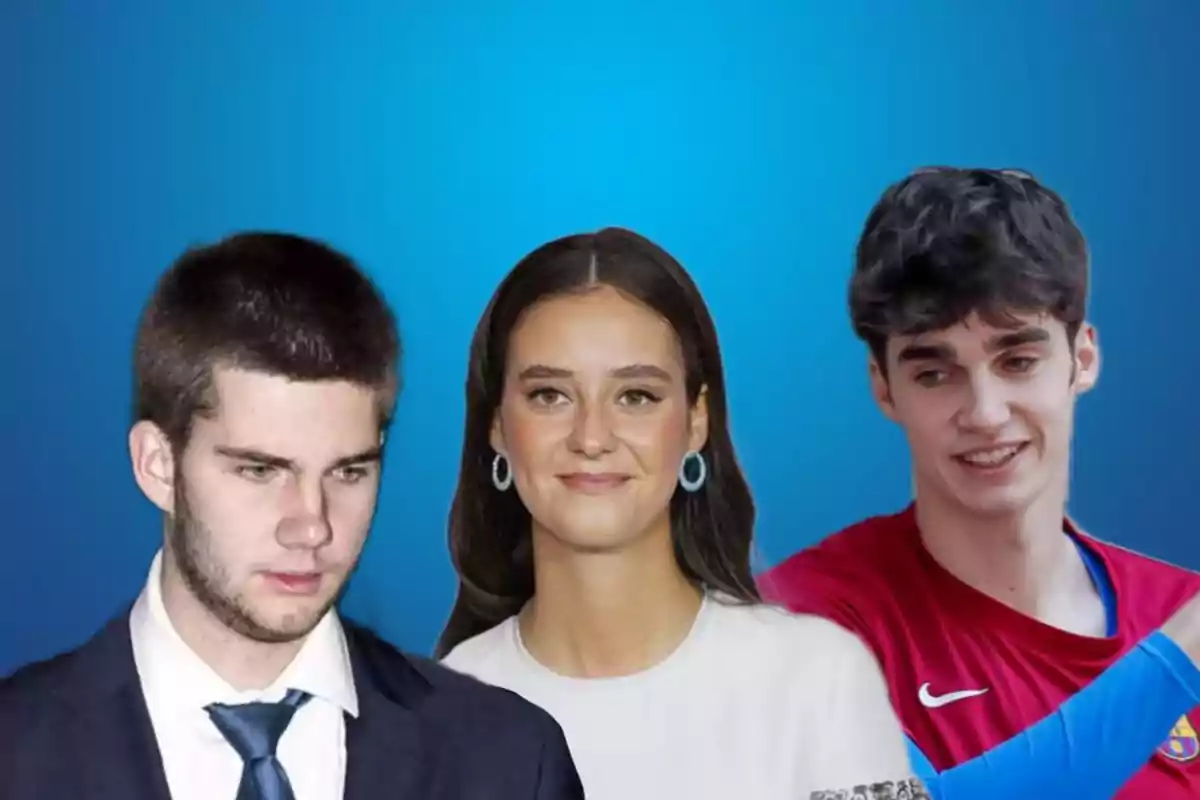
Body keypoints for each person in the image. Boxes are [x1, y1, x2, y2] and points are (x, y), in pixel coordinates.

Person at [0, 232, 583, 800]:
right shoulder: (17, 754)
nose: (313, 526)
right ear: (158, 466)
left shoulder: (508, 764)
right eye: (260, 471)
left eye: (348, 472)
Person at [436, 226, 927, 800]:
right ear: (497, 423)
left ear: (696, 422)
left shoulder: (817, 679)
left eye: (636, 396)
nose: (592, 437)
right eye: (550, 395)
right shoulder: (443, 711)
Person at [759, 167, 1200, 798]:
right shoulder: (801, 623)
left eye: (1018, 361)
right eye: (935, 373)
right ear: (884, 387)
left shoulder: (1177, 601)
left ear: (1083, 359)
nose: (986, 413)